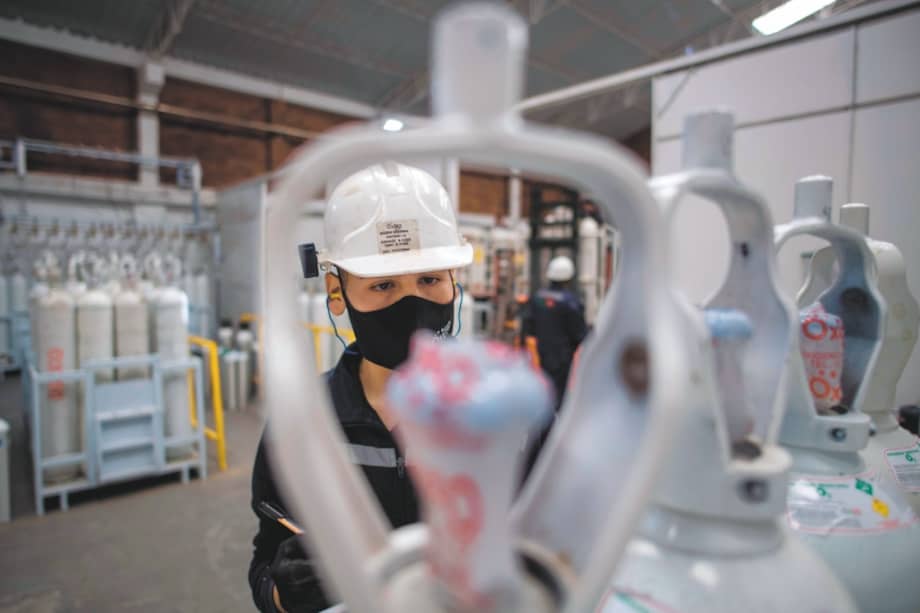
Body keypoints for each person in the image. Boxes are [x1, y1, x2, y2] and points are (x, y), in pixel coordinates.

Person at [249, 162, 473, 612]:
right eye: (383, 285)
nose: (410, 304)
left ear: (454, 281)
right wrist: (284, 593)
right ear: (337, 293)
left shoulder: (508, 417)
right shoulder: (305, 424)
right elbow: (267, 557)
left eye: (429, 279)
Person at [521, 255, 588, 411]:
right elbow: (579, 334)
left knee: (542, 392)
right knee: (557, 397)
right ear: (569, 277)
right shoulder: (570, 302)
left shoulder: (537, 298)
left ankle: (540, 430)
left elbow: (528, 326)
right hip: (561, 358)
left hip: (539, 354)